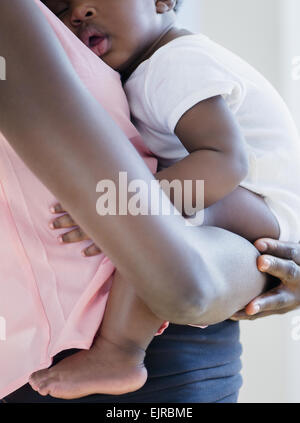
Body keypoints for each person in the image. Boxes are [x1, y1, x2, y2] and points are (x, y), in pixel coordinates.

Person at [0, 0, 298, 403]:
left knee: (162, 231)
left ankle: (120, 352)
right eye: (62, 7)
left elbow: (225, 163)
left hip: (254, 201)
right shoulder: (149, 69)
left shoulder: (174, 64)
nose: (79, 12)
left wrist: (119, 205)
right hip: (238, 202)